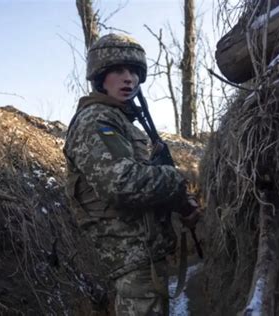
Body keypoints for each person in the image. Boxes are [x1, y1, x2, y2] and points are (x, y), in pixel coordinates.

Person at [63, 33, 199, 315]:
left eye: (134, 72)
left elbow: (142, 183)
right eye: (118, 70)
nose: (129, 79)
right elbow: (121, 183)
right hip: (130, 258)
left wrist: (180, 204)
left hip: (144, 255)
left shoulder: (123, 121)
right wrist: (175, 178)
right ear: (101, 76)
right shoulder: (96, 119)